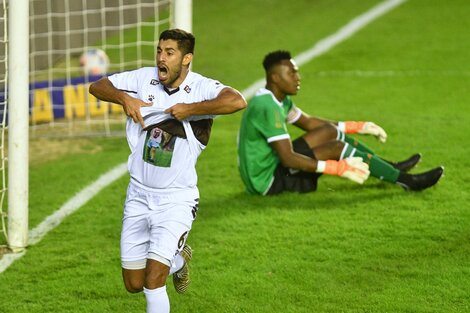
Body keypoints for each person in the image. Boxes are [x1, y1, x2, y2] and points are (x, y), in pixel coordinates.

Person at [89, 29, 246, 313]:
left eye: (169, 53)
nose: (161, 58)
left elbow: (236, 100)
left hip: (176, 200)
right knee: (133, 283)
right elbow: (97, 86)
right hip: (137, 196)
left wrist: (191, 109)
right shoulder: (142, 78)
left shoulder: (201, 87)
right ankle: (180, 260)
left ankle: (168, 264)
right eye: (159, 51)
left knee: (153, 281)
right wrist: (125, 99)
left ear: (187, 59)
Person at [237, 50, 444, 195]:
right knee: (335, 147)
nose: (297, 77)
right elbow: (289, 159)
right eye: (291, 73)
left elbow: (309, 123)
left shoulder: (277, 99)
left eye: (297, 71)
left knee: (327, 131)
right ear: (274, 78)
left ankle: (391, 167)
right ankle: (408, 182)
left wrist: (357, 127)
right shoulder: (267, 107)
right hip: (267, 182)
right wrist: (336, 168)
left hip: (270, 167)